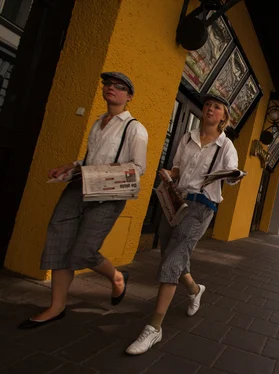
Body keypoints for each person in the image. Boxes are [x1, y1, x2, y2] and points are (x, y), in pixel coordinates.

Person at [18, 72, 148, 329]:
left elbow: (138, 167)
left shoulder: (134, 128)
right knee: (59, 242)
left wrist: (100, 172)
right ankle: (57, 306)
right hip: (79, 187)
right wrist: (71, 166)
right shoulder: (98, 122)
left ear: (129, 96)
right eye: (108, 84)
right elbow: (91, 159)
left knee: (84, 251)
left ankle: (118, 277)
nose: (111, 88)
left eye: (119, 87)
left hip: (108, 195)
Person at [126, 94, 241, 355]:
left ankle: (154, 328)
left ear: (224, 117)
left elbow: (231, 176)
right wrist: (169, 173)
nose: (210, 109)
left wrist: (233, 176)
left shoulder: (226, 147)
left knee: (172, 260)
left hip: (202, 206)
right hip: (176, 201)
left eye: (217, 108)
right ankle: (194, 288)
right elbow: (177, 168)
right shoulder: (188, 137)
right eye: (208, 106)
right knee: (170, 253)